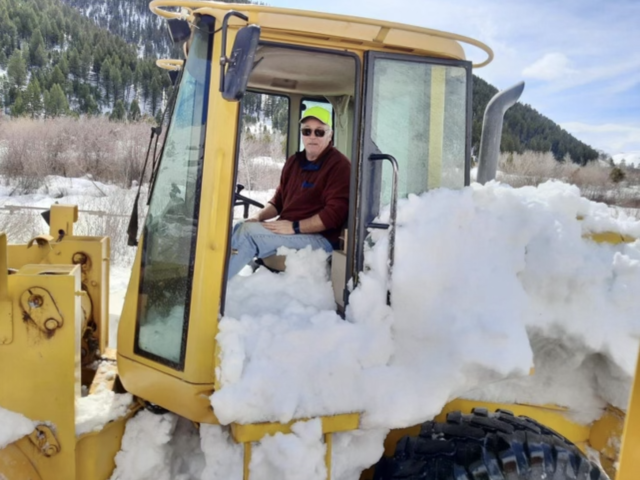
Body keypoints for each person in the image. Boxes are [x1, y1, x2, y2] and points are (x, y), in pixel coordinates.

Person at [227, 106, 351, 279]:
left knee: (247, 234)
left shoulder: (339, 166)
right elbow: (278, 201)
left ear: (330, 135)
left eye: (319, 132)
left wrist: (294, 226)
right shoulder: (294, 162)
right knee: (240, 226)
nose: (312, 136)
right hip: (293, 231)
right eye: (307, 131)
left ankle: (212, 289)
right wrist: (258, 216)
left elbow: (333, 215)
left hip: (321, 238)